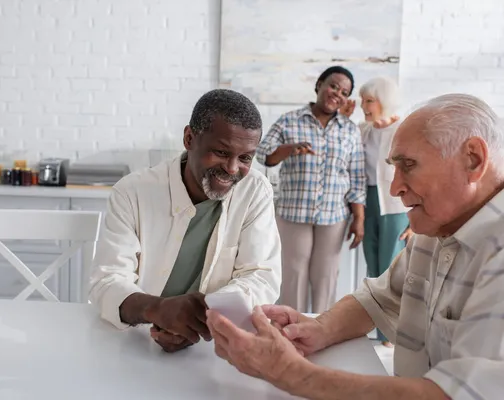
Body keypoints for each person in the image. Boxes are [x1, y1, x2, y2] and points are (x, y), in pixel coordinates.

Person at [207, 93, 504, 399]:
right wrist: (319, 328)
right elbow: (376, 298)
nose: (394, 187)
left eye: (409, 165)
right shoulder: (437, 230)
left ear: (473, 159)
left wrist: (287, 371)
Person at [88, 88, 282, 353]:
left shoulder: (255, 191)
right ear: (189, 138)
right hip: (132, 343)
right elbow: (107, 281)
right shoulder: (132, 191)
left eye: (245, 157)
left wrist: (204, 320)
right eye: (222, 152)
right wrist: (157, 310)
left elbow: (261, 276)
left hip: (214, 347)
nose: (233, 168)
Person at [255, 65, 366, 314]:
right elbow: (263, 154)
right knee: (292, 276)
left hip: (333, 216)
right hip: (293, 213)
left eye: (344, 92)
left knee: (326, 278)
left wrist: (359, 218)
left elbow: (357, 177)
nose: (337, 93)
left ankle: (319, 331)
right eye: (333, 85)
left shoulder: (349, 130)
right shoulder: (289, 121)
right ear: (319, 85)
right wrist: (290, 148)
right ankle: (290, 331)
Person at [358, 76, 413, 347]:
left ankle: (392, 334)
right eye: (361, 101)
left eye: (369, 101)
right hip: (369, 203)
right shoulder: (363, 131)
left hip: (396, 206)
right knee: (374, 269)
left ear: (384, 102)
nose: (363, 106)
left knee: (393, 270)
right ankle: (379, 332)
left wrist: (415, 219)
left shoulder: (404, 130)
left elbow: (418, 171)